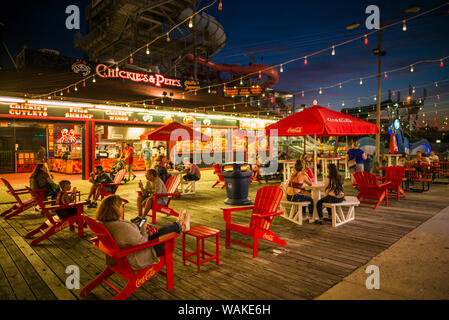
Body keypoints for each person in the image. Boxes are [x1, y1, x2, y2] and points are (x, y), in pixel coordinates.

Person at [95, 195, 190, 271]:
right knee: (163, 233)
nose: (122, 207)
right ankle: (181, 226)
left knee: (159, 232)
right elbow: (143, 242)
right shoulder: (121, 227)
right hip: (137, 256)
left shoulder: (106, 223)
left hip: (122, 254)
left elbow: (127, 235)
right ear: (115, 209)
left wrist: (137, 226)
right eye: (121, 206)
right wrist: (143, 228)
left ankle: (179, 224)